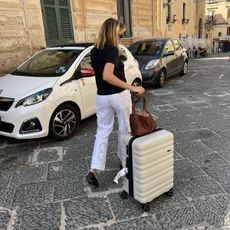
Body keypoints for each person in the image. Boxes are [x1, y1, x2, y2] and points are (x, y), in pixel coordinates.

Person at [86, 18, 145, 187]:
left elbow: (101, 76)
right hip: (118, 95)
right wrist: (131, 88)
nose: (121, 37)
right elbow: (107, 75)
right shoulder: (112, 49)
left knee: (102, 132)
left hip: (102, 97)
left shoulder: (94, 50)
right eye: (120, 34)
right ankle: (124, 163)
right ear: (114, 32)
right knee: (125, 129)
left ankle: (93, 170)